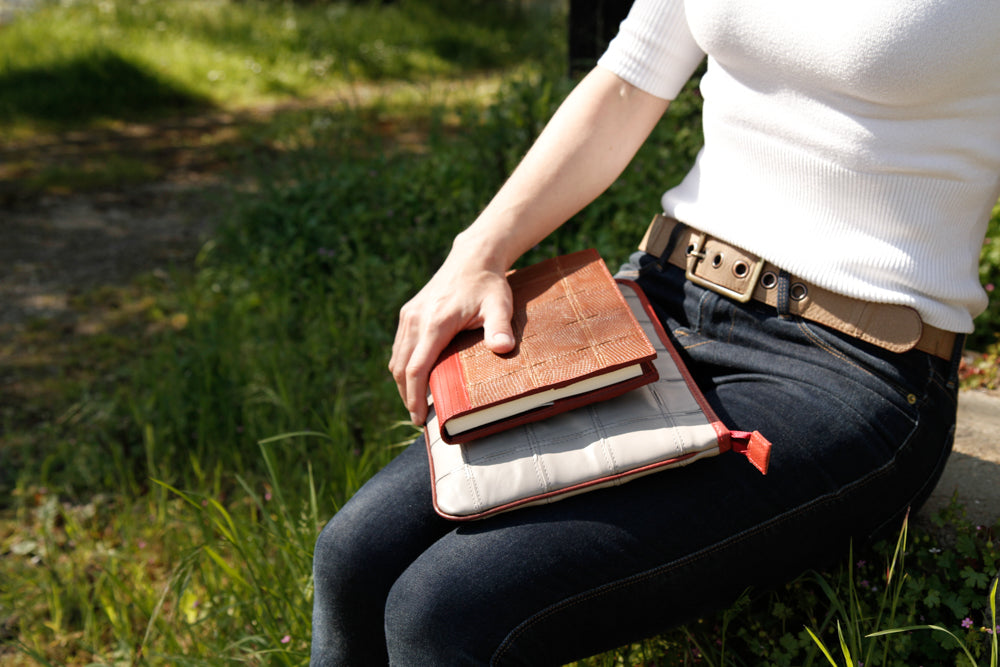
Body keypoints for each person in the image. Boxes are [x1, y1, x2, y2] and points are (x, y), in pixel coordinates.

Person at [310, 0, 1000, 664]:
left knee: (443, 611)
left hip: (854, 364)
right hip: (661, 299)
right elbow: (627, 80)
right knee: (352, 558)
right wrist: (476, 254)